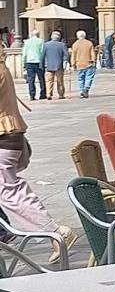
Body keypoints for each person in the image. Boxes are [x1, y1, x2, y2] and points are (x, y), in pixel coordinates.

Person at [0, 45, 77, 263]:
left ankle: (55, 231)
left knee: (9, 191)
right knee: (8, 189)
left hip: (4, 139)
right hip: (9, 137)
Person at [42, 31, 69, 101]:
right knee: (60, 81)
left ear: (51, 37)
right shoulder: (62, 45)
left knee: (49, 81)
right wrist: (66, 61)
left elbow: (42, 55)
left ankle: (48, 94)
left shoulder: (46, 45)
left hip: (49, 65)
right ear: (59, 37)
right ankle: (61, 94)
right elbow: (66, 55)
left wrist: (42, 65)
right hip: (59, 66)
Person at [70, 30, 96, 98]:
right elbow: (92, 53)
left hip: (79, 64)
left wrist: (73, 64)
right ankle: (86, 88)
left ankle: (82, 91)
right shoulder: (89, 43)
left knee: (80, 78)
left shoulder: (75, 44)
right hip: (88, 63)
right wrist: (93, 61)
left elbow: (73, 55)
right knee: (89, 77)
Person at [21, 29, 45, 101]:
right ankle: (43, 94)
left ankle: (32, 95)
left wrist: (23, 63)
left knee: (31, 79)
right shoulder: (41, 41)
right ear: (38, 34)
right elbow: (42, 52)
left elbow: (24, 53)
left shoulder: (27, 42)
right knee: (41, 79)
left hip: (29, 62)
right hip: (38, 62)